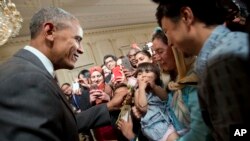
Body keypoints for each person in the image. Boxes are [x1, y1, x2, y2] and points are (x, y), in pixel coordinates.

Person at [0, 7, 127, 141]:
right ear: (49, 32)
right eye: (77, 39)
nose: (81, 49)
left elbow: (61, 124)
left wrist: (109, 106)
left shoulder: (31, 71)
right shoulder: (26, 78)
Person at [152, 0, 250, 140]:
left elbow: (237, 133)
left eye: (167, 32)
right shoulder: (233, 43)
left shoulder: (222, 60)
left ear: (186, 16)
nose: (171, 43)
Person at [134, 62, 180, 141]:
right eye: (140, 74)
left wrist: (154, 86)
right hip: (153, 126)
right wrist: (141, 88)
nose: (144, 75)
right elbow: (143, 108)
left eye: (147, 72)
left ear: (156, 75)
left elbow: (165, 98)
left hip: (166, 122)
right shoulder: (138, 92)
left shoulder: (157, 87)